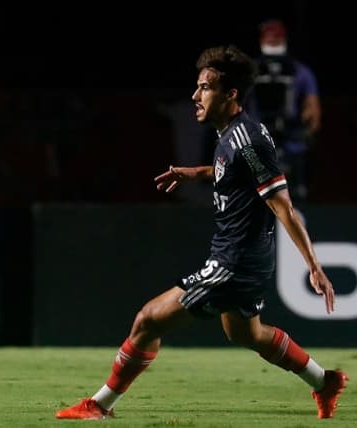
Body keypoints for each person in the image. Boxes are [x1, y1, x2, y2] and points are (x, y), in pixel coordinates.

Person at [55, 45, 347, 421]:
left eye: (205, 88)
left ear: (231, 95)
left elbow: (283, 206)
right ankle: (324, 381)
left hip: (234, 261)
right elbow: (235, 172)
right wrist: (199, 172)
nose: (195, 96)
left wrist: (314, 266)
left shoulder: (248, 140)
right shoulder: (233, 135)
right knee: (248, 335)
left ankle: (100, 405)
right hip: (246, 258)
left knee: (148, 320)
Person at [248, 19, 321, 202]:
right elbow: (314, 112)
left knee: (288, 198)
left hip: (285, 144)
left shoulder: (299, 71)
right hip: (262, 144)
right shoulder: (252, 70)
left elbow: (313, 110)